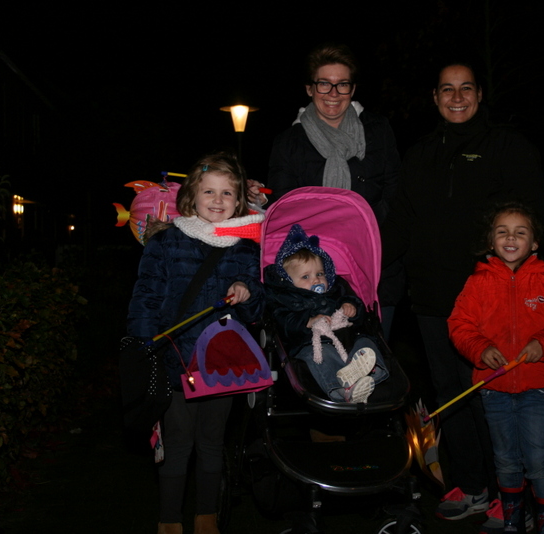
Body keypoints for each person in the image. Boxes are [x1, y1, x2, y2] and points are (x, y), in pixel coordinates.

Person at [380, 62, 544, 520]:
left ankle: (509, 494)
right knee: (450, 394)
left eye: (466, 88)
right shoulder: (421, 153)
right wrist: (360, 261)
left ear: (479, 95)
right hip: (432, 298)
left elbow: (532, 218)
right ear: (435, 98)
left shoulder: (507, 147)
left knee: (490, 394)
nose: (457, 98)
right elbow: (400, 222)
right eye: (447, 90)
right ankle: (472, 485)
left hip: (487, 299)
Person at [126, 152, 265, 534]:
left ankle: (207, 518)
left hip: (222, 364)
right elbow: (145, 299)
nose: (218, 200)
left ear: (239, 201)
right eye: (209, 191)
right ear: (191, 196)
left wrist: (247, 292)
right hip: (174, 362)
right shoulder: (166, 242)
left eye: (227, 193)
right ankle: (169, 520)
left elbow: (258, 310)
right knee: (177, 444)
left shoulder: (245, 248)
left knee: (211, 443)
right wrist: (143, 348)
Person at [448, 203, 544, 534]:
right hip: (494, 389)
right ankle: (512, 520)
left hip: (537, 388)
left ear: (534, 243)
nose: (511, 238)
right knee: (506, 460)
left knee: (539, 460)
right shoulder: (477, 282)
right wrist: (481, 349)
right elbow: (460, 325)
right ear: (491, 240)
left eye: (520, 232)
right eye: (502, 232)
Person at [267, 43, 402, 337]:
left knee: (372, 353)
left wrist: (374, 249)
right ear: (309, 88)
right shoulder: (288, 142)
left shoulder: (378, 130)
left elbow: (395, 194)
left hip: (375, 264)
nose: (333, 93)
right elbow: (286, 207)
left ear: (352, 89)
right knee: (322, 357)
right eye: (324, 84)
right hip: (312, 277)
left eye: (342, 84)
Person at [265, 224, 389, 403]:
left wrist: (351, 306)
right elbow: (283, 321)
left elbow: (357, 308)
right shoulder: (286, 298)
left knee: (366, 342)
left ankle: (367, 374)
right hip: (313, 344)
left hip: (348, 340)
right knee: (321, 356)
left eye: (320, 273)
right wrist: (307, 321)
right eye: (306, 277)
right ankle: (342, 390)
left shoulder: (336, 289)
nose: (316, 280)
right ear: (289, 281)